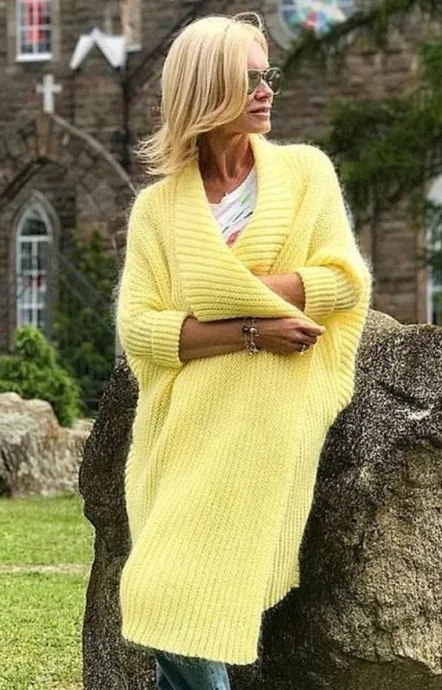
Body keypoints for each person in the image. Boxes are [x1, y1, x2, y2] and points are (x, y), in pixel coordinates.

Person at [116, 11, 372, 690]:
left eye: (268, 75)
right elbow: (139, 328)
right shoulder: (159, 210)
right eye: (248, 78)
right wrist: (254, 328)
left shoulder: (304, 174)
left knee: (185, 604)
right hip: (184, 432)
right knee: (164, 595)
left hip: (264, 427)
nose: (266, 91)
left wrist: (234, 292)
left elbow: (344, 284)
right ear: (206, 90)